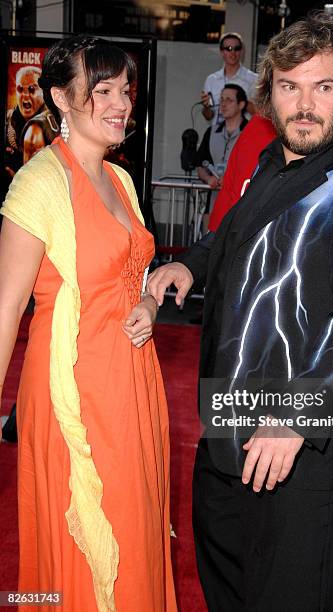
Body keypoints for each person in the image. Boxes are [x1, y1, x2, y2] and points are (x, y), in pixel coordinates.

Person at [147, 14, 333, 611]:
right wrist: (190, 266)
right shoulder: (269, 163)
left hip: (306, 443)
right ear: (270, 92)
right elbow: (234, 235)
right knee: (229, 590)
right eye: (291, 86)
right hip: (228, 419)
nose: (306, 104)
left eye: (324, 87)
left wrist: (296, 416)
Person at [0, 36, 176, 611]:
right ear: (60, 97)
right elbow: (6, 312)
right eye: (102, 91)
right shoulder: (38, 184)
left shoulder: (121, 181)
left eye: (125, 90)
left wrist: (149, 306)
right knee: (83, 545)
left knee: (138, 532)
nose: (120, 103)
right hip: (73, 395)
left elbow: (137, 274)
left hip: (134, 389)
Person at [208, 113, 276, 232]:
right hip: (234, 226)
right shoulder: (263, 125)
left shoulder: (260, 124)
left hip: (231, 222)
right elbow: (243, 185)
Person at [196, 84, 248, 215]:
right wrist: (208, 179)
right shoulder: (211, 132)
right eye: (221, 100)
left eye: (229, 100)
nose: (223, 104)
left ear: (241, 105)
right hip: (214, 202)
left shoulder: (250, 133)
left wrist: (232, 179)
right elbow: (200, 164)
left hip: (240, 205)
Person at [5, 66, 58, 175]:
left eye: (32, 89)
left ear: (43, 92)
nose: (25, 95)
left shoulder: (54, 124)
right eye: (20, 89)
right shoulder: (8, 119)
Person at [200, 32, 257, 126]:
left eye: (237, 48)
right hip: (218, 135)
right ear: (222, 52)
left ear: (241, 51)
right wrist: (206, 107)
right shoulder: (212, 80)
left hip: (243, 135)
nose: (233, 52)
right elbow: (208, 116)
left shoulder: (253, 79)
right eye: (229, 49)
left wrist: (241, 101)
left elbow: (259, 114)